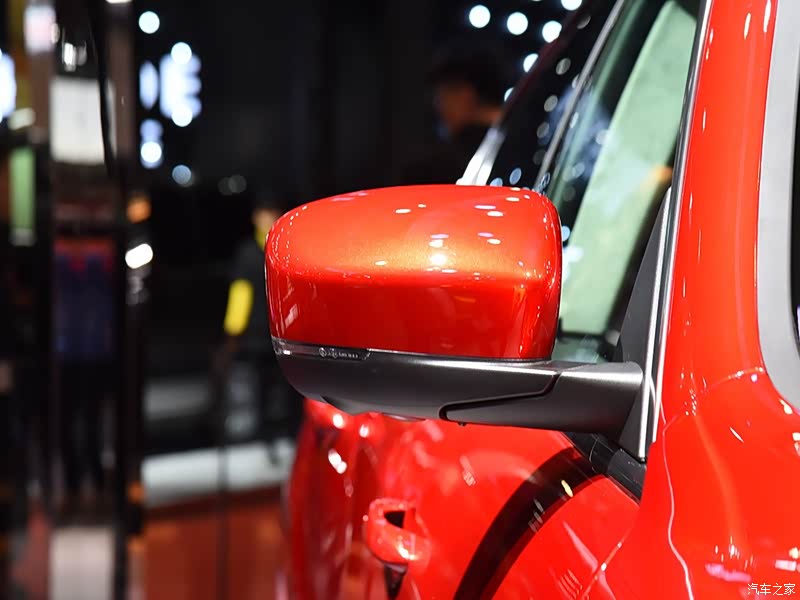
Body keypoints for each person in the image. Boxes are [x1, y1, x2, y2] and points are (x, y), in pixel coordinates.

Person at [215, 190, 300, 445]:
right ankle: (266, 435)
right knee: (262, 386)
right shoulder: (249, 253)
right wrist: (233, 331)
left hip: (286, 333)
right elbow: (240, 295)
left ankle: (290, 432)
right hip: (257, 335)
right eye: (264, 213)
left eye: (271, 213)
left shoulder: (288, 250)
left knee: (289, 389)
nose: (267, 218)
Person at [399, 41, 512, 185]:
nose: (437, 105)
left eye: (441, 94)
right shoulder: (527, 150)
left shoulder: (436, 168)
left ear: (466, 94)